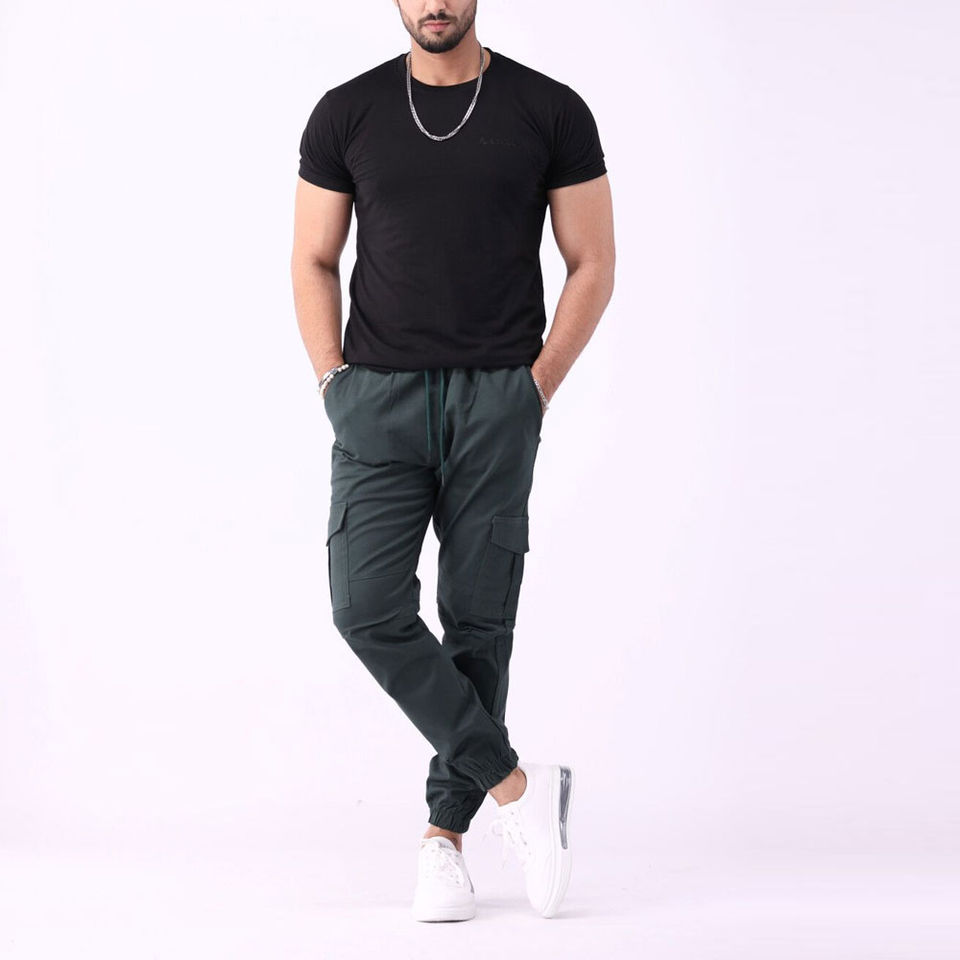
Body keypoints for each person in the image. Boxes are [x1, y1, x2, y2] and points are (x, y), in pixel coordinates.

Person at [290, 0, 615, 922]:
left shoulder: (549, 109)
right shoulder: (346, 112)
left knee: (478, 625)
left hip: (495, 403)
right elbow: (314, 258)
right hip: (377, 403)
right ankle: (518, 787)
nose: (435, 3)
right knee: (365, 608)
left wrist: (534, 388)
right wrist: (332, 381)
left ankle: (445, 839)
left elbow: (593, 261)